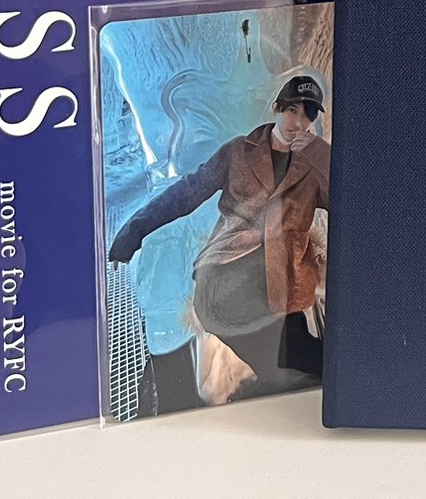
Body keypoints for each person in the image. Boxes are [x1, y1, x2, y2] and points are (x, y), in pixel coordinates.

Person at [107, 73, 331, 405]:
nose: (298, 122)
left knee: (303, 367)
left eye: (307, 115)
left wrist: (320, 152)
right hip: (229, 277)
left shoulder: (311, 167)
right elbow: (188, 192)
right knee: (297, 365)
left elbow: (350, 203)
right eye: (292, 110)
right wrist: (134, 230)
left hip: (284, 288)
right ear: (277, 108)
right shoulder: (239, 151)